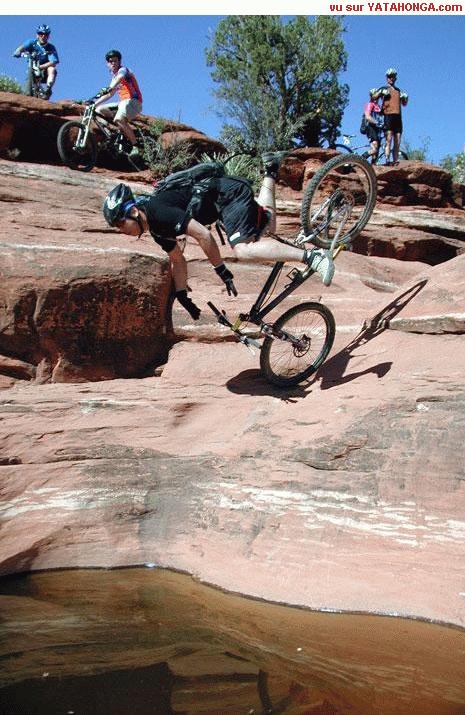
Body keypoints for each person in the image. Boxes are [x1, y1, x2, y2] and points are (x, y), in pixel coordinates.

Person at [102, 152, 335, 321]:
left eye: (120, 222)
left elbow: (203, 235)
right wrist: (182, 295)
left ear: (133, 211)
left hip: (228, 195)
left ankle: (314, 257)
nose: (121, 229)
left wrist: (221, 270)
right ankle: (271, 171)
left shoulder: (157, 211)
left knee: (243, 249)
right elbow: (177, 260)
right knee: (267, 228)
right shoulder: (156, 230)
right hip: (224, 200)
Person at [94, 49, 143, 159]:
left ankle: (136, 146)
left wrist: (110, 87)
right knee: (98, 110)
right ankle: (111, 133)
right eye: (110, 61)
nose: (113, 63)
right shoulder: (114, 77)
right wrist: (94, 103)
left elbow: (120, 77)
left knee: (119, 119)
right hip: (122, 103)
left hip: (133, 102)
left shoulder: (123, 70)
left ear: (119, 61)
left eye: (115, 61)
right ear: (107, 64)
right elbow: (109, 94)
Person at [13, 23, 59, 100]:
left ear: (48, 36)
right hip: (32, 65)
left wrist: (41, 67)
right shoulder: (31, 42)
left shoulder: (50, 47)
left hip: (44, 69)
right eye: (41, 34)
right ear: (37, 35)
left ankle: (48, 89)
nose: (43, 36)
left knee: (52, 69)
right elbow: (21, 48)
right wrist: (18, 52)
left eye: (46, 34)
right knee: (30, 74)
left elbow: (53, 62)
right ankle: (29, 91)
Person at [378, 67, 408, 165]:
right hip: (388, 115)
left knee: (397, 140)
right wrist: (380, 93)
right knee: (389, 138)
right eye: (389, 77)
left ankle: (395, 161)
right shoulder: (384, 88)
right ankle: (387, 159)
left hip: (398, 116)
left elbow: (404, 104)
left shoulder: (398, 90)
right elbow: (374, 96)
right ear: (387, 78)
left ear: (395, 78)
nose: (391, 78)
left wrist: (405, 98)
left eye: (393, 77)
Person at [362, 89, 383, 164]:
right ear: (371, 96)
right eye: (374, 95)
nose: (377, 97)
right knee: (374, 148)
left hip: (378, 129)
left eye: (378, 96)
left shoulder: (379, 107)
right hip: (370, 127)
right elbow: (368, 116)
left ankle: (373, 165)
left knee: (377, 150)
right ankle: (361, 159)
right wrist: (377, 123)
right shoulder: (370, 104)